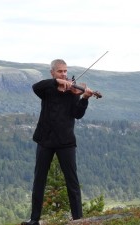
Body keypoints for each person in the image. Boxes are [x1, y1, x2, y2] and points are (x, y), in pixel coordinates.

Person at [21, 59, 94, 225]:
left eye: (65, 71)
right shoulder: (48, 90)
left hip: (66, 142)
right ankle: (34, 219)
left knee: (72, 181)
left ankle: (78, 219)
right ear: (52, 73)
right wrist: (56, 82)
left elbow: (77, 114)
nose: (64, 74)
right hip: (45, 140)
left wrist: (84, 99)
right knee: (39, 180)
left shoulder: (73, 92)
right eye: (60, 72)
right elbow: (35, 87)